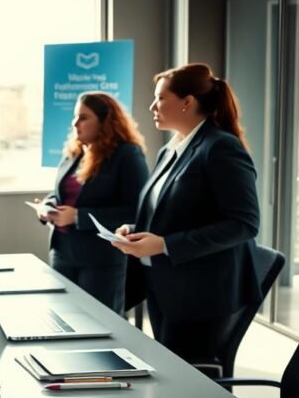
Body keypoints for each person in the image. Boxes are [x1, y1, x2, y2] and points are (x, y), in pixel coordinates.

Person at [111, 64, 260, 366]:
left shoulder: (220, 148)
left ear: (187, 102)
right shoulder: (171, 149)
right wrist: (135, 230)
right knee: (168, 373)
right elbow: (168, 212)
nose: (152, 106)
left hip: (201, 295)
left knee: (186, 384)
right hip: (165, 286)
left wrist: (165, 244)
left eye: (160, 98)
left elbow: (244, 223)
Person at [32, 93, 148, 315]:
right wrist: (48, 206)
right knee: (64, 318)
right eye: (75, 117)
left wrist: (77, 216)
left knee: (100, 325)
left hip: (100, 259)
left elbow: (137, 210)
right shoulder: (74, 153)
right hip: (62, 251)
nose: (75, 123)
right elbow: (64, 194)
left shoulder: (127, 154)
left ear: (106, 121)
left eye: (83, 117)